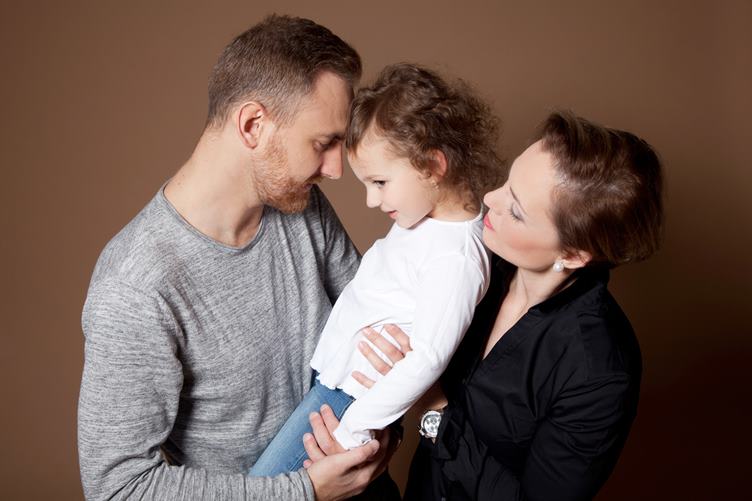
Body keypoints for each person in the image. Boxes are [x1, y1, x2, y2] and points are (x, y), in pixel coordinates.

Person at [78, 15, 400, 501]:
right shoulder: (135, 286)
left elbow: (379, 333)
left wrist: (383, 438)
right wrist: (305, 491)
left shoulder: (302, 205)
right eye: (323, 143)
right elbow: (118, 488)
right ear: (253, 125)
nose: (336, 169)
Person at [304, 111, 663, 500]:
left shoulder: (599, 370)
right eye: (507, 183)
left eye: (517, 211)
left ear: (573, 254)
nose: (490, 199)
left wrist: (431, 404)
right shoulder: (471, 267)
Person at [248, 63, 504, 477]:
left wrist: (357, 426)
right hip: (334, 381)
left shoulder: (455, 258)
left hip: (350, 400)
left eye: (379, 183)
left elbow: (429, 358)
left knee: (264, 485)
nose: (371, 200)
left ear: (433, 166)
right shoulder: (427, 218)